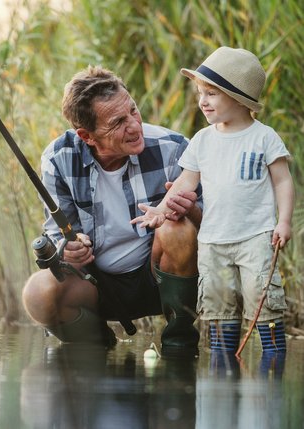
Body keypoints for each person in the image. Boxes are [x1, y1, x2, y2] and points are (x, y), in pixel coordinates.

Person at [22, 65, 202, 356]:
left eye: (133, 110)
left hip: (157, 277)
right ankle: (94, 345)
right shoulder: (58, 158)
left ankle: (179, 345)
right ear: (87, 136)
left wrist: (191, 211)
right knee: (37, 294)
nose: (134, 125)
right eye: (118, 122)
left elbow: (212, 228)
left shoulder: (174, 147)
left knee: (177, 228)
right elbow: (58, 234)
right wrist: (68, 249)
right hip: (96, 284)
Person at [131, 47, 295, 355]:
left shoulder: (264, 137)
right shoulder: (203, 140)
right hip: (212, 241)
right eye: (199, 94)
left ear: (238, 96)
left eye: (211, 94)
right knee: (218, 306)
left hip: (256, 237)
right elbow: (184, 184)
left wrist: (283, 221)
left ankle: (272, 365)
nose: (202, 101)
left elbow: (283, 181)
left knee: (263, 299)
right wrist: (161, 210)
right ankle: (222, 369)